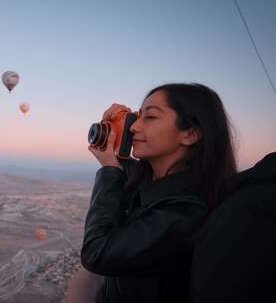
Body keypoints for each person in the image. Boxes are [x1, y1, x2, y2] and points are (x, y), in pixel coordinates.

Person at [80, 83, 237, 302]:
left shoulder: (187, 210)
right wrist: (115, 136)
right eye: (137, 116)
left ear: (190, 134)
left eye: (150, 117)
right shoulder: (154, 181)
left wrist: (109, 170)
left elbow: (97, 253)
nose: (134, 127)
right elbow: (130, 175)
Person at [189, 151, 276, 303]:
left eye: (150, 124)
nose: (134, 127)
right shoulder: (248, 204)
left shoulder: (249, 204)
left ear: (191, 135)